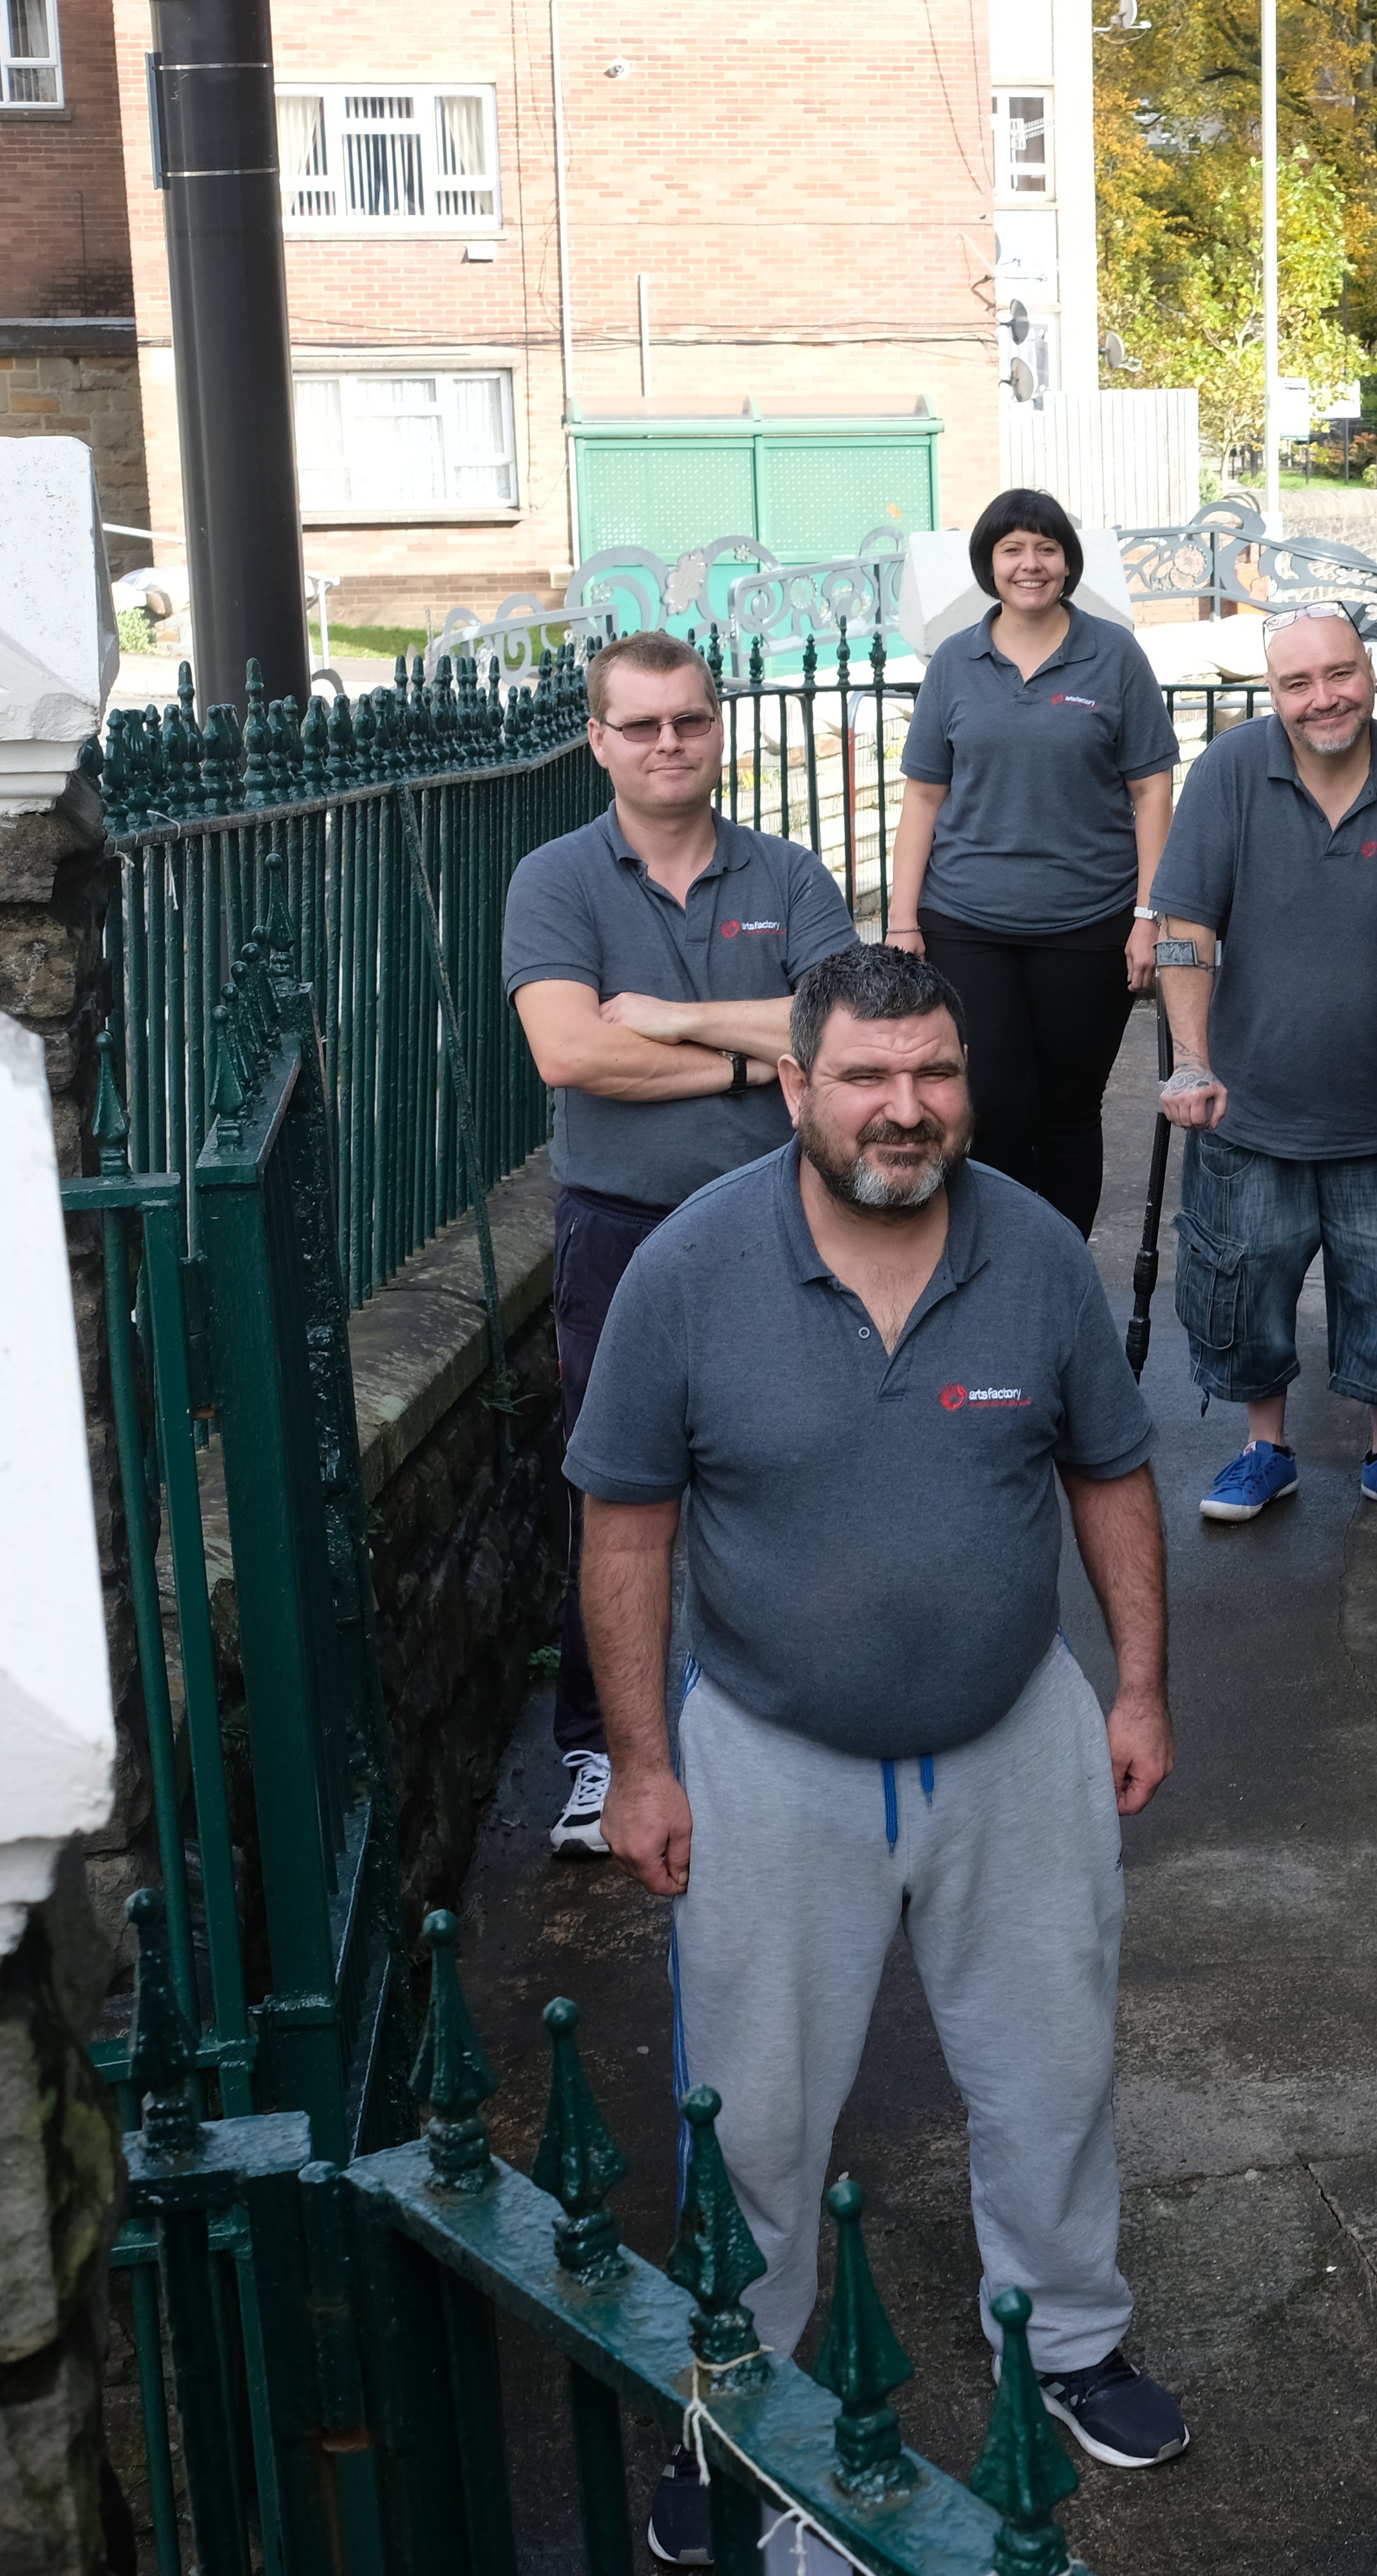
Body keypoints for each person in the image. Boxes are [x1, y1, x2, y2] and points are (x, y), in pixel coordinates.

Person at [569, 944, 1188, 2561]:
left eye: (933, 1075)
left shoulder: (1039, 1254)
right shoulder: (692, 1271)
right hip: (773, 1755)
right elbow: (625, 1532)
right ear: (795, 1087)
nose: (904, 1109)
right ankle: (734, 2394)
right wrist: (642, 1763)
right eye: (865, 1076)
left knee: (1052, 2067)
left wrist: (1137, 1690)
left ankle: (1066, 2337)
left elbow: (1113, 1476)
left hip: (1013, 1737)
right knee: (753, 2112)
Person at [505, 629, 859, 1863]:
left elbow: (847, 1030)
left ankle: (798, 1719)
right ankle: (606, 1748)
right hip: (622, 1232)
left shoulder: (790, 872)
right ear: (599, 740)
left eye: (690, 721)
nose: (670, 744)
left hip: (786, 1222)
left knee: (800, 1465)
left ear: (719, 728)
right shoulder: (555, 880)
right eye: (642, 725)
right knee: (621, 1490)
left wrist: (667, 1017)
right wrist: (745, 1056)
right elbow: (569, 1053)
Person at [1151, 603, 1377, 1527]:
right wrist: (1192, 1064)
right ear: (1272, 693)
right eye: (1296, 683)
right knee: (1246, 1284)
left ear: (1370, 671)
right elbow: (1185, 928)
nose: (1322, 698)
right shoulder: (1229, 771)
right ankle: (1265, 1450)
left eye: (1338, 674)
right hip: (1251, 1107)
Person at [886, 485, 1182, 1238]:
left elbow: (1152, 790)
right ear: (989, 563)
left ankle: (1060, 1273)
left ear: (1068, 562)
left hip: (1089, 923)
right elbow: (922, 798)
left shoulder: (1112, 655)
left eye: (1046, 548)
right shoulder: (957, 661)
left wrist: (1149, 915)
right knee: (995, 1104)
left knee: (1070, 1110)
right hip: (966, 921)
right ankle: (1000, 1263)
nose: (1031, 563)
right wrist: (901, 921)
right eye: (1013, 548)